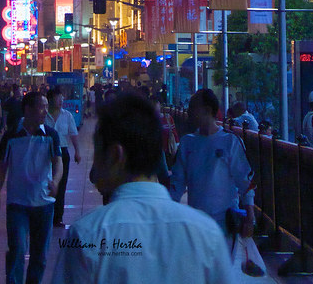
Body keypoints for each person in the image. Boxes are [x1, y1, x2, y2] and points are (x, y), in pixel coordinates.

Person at [54, 93, 233, 284]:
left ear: (116, 155)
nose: (94, 166)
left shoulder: (86, 235)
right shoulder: (207, 234)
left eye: (97, 152)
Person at [0, 91, 62, 284]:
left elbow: (58, 162)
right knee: (18, 249)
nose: (45, 111)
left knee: (40, 255)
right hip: (18, 203)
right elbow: (1, 168)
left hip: (44, 203)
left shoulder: (51, 135)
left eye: (47, 107)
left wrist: (55, 181)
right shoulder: (12, 135)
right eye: (41, 107)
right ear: (28, 110)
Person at [170, 88, 256, 238]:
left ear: (208, 110)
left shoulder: (230, 141)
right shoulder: (187, 143)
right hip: (196, 225)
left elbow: (244, 181)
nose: (189, 112)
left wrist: (250, 217)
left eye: (193, 108)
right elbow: (177, 183)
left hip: (225, 224)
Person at [45, 87, 81, 227]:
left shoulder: (67, 116)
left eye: (62, 98)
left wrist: (77, 151)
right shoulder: (44, 115)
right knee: (46, 183)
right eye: (58, 98)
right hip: (46, 153)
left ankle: (58, 217)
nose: (61, 100)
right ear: (50, 99)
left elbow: (73, 134)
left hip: (62, 152)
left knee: (61, 184)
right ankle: (46, 214)